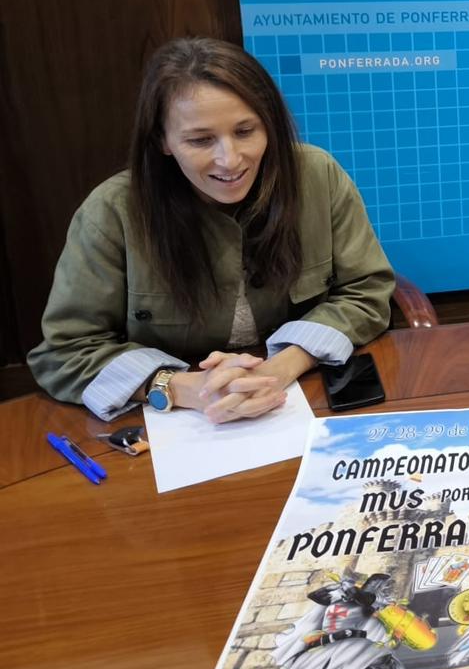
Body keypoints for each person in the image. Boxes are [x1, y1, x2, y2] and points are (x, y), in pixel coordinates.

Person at [27, 38, 394, 422]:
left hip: (297, 394)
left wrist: (284, 365)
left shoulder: (318, 176)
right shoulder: (112, 210)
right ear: (163, 141)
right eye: (201, 140)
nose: (230, 159)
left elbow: (366, 292)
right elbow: (66, 351)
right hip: (177, 417)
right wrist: (180, 386)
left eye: (245, 131)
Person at [262, 572, 428, 669]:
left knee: (385, 661)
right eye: (380, 586)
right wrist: (338, 587)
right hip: (332, 644)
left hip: (351, 643)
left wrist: (350, 590)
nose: (383, 590)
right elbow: (316, 595)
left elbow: (366, 600)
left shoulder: (375, 601)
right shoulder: (338, 597)